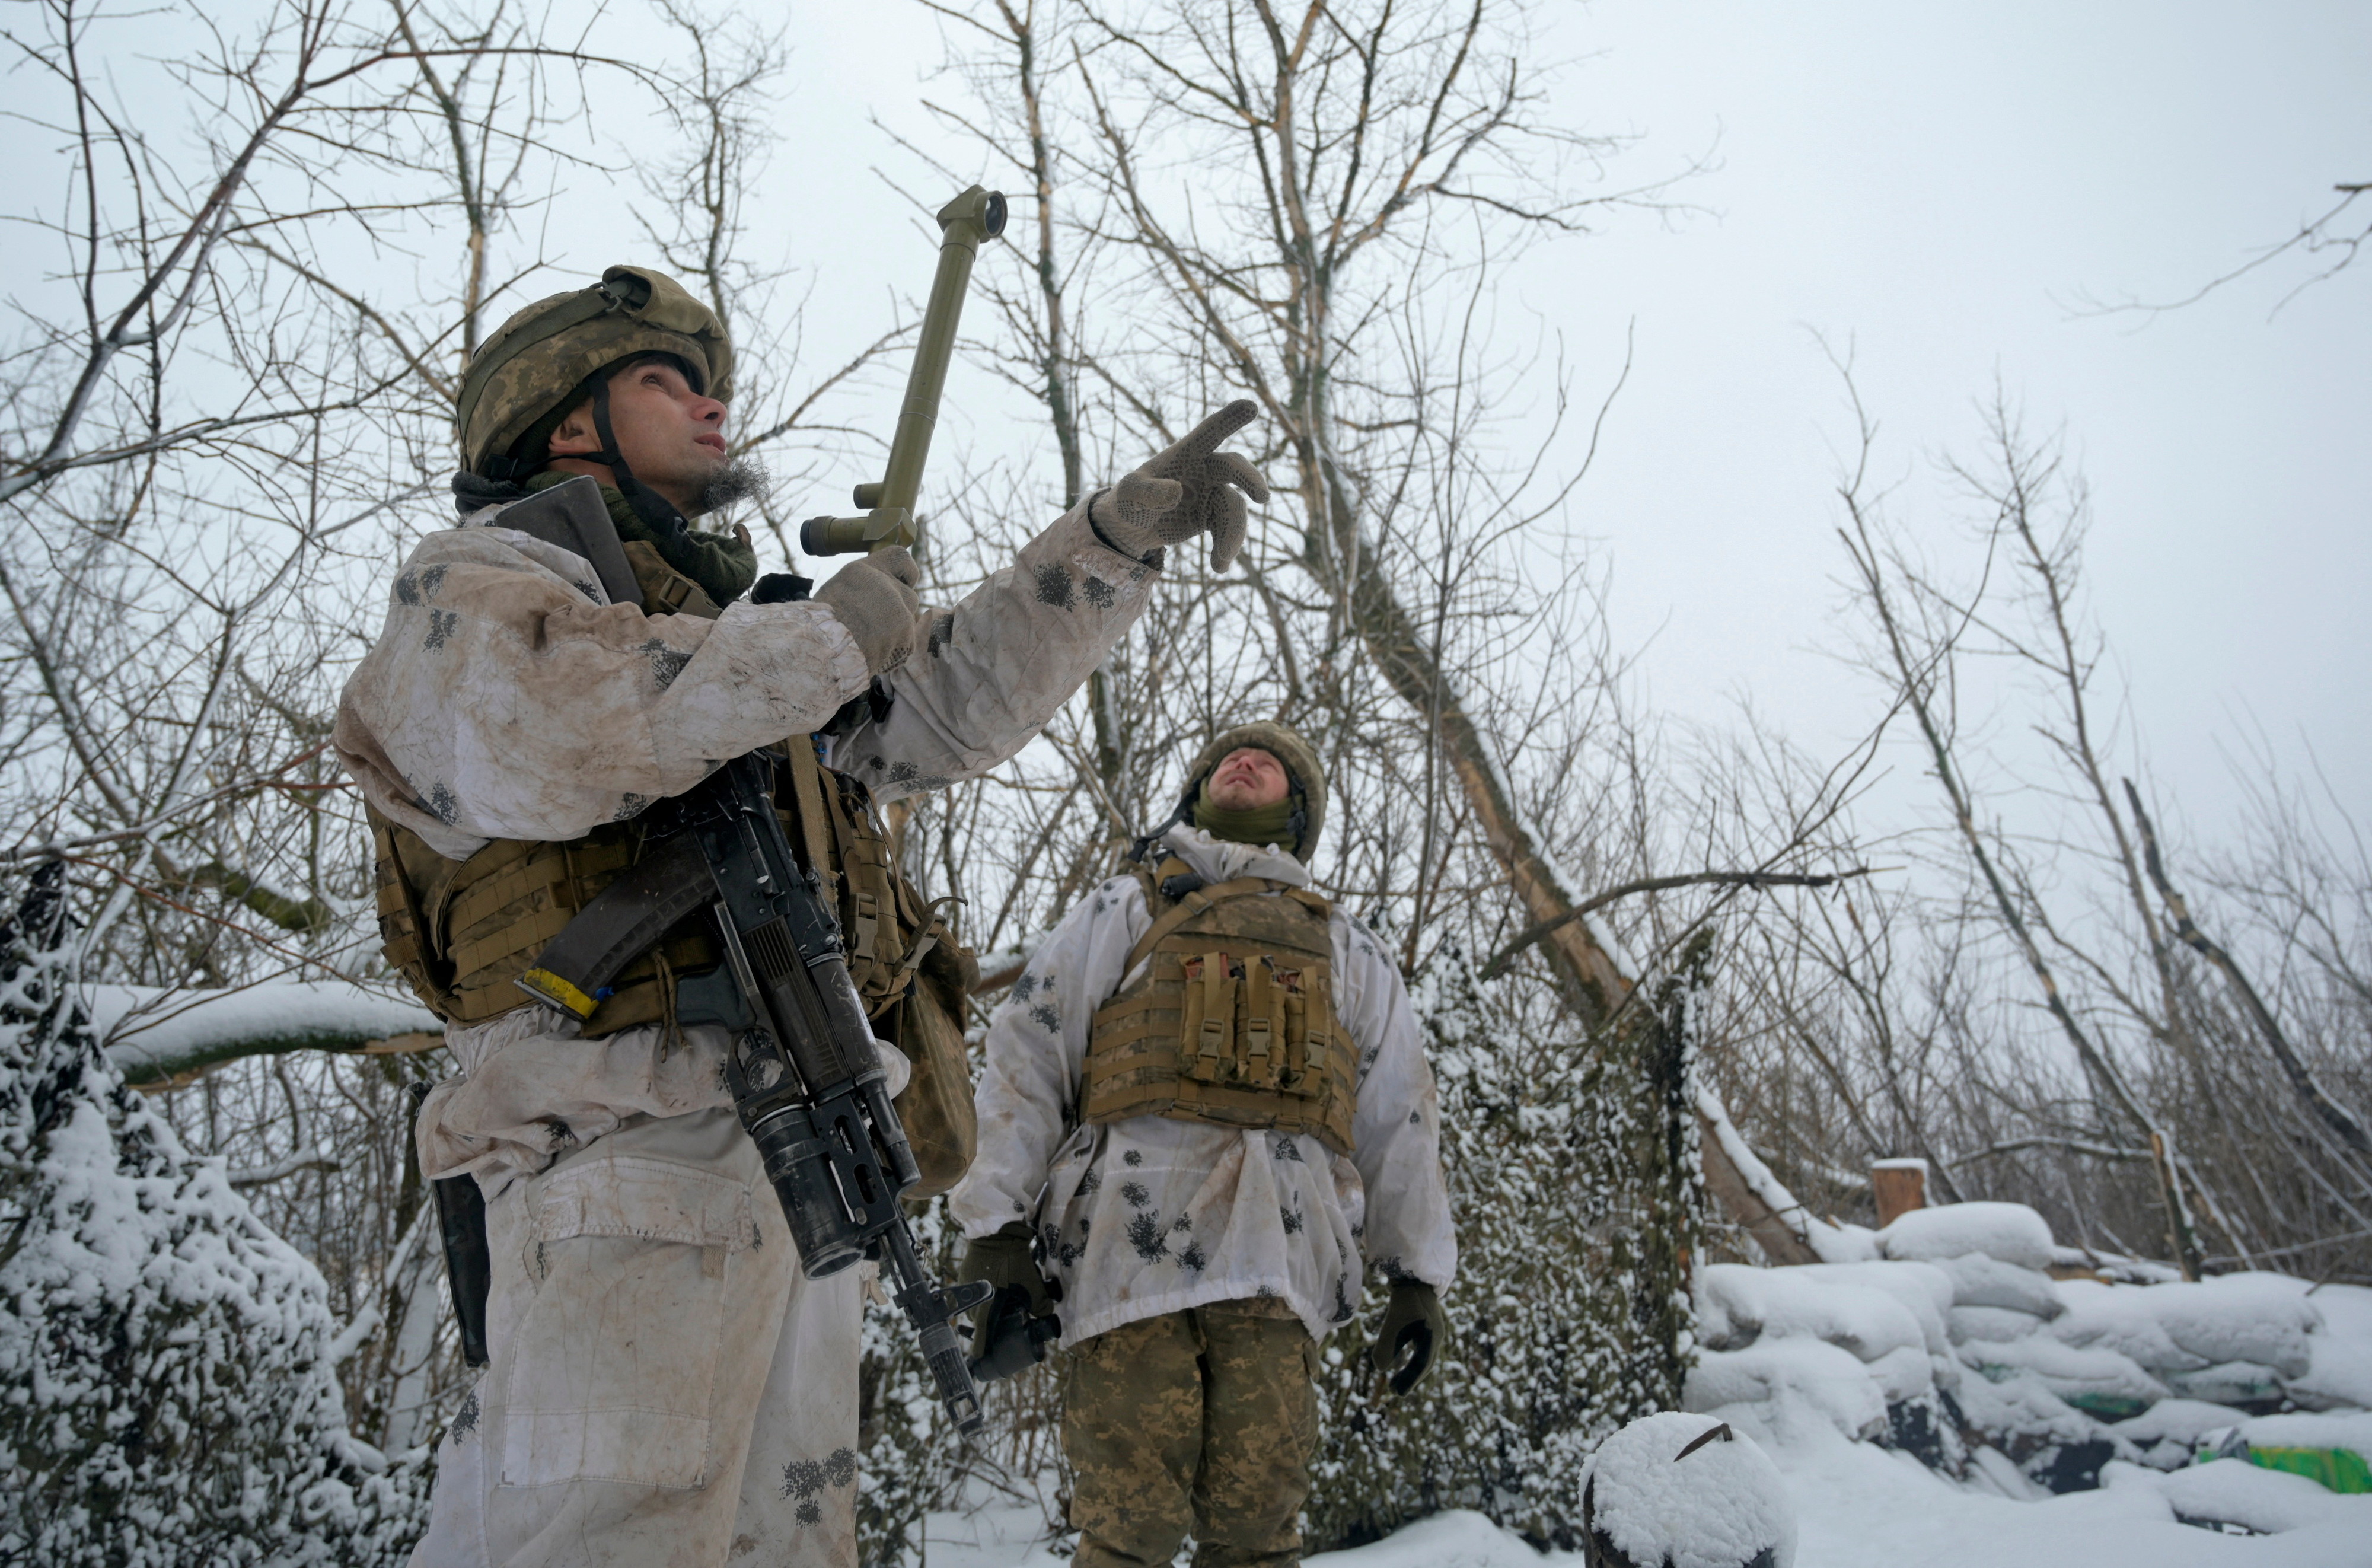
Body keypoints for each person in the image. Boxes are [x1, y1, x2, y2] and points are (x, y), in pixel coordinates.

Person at [331, 263, 1267, 1568]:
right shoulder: (472, 587)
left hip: (792, 1157)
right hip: (615, 1149)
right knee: (607, 1542)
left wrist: (1109, 541)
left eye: (714, 383)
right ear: (562, 421)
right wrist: (828, 639)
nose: (713, 407)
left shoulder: (728, 640)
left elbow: (936, 709)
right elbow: (562, 714)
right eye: (667, 380)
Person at [950, 722, 1457, 1568]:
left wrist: (1417, 1277)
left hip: (1278, 1265)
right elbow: (1028, 1051)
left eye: (1274, 766)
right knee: (1127, 1533)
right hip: (1125, 1264)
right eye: (1227, 757)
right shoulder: (1124, 907)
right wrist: (995, 1226)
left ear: (1297, 818)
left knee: (1258, 1537)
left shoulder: (1349, 949)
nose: (1245, 758)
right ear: (1195, 797)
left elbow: (1400, 1113)